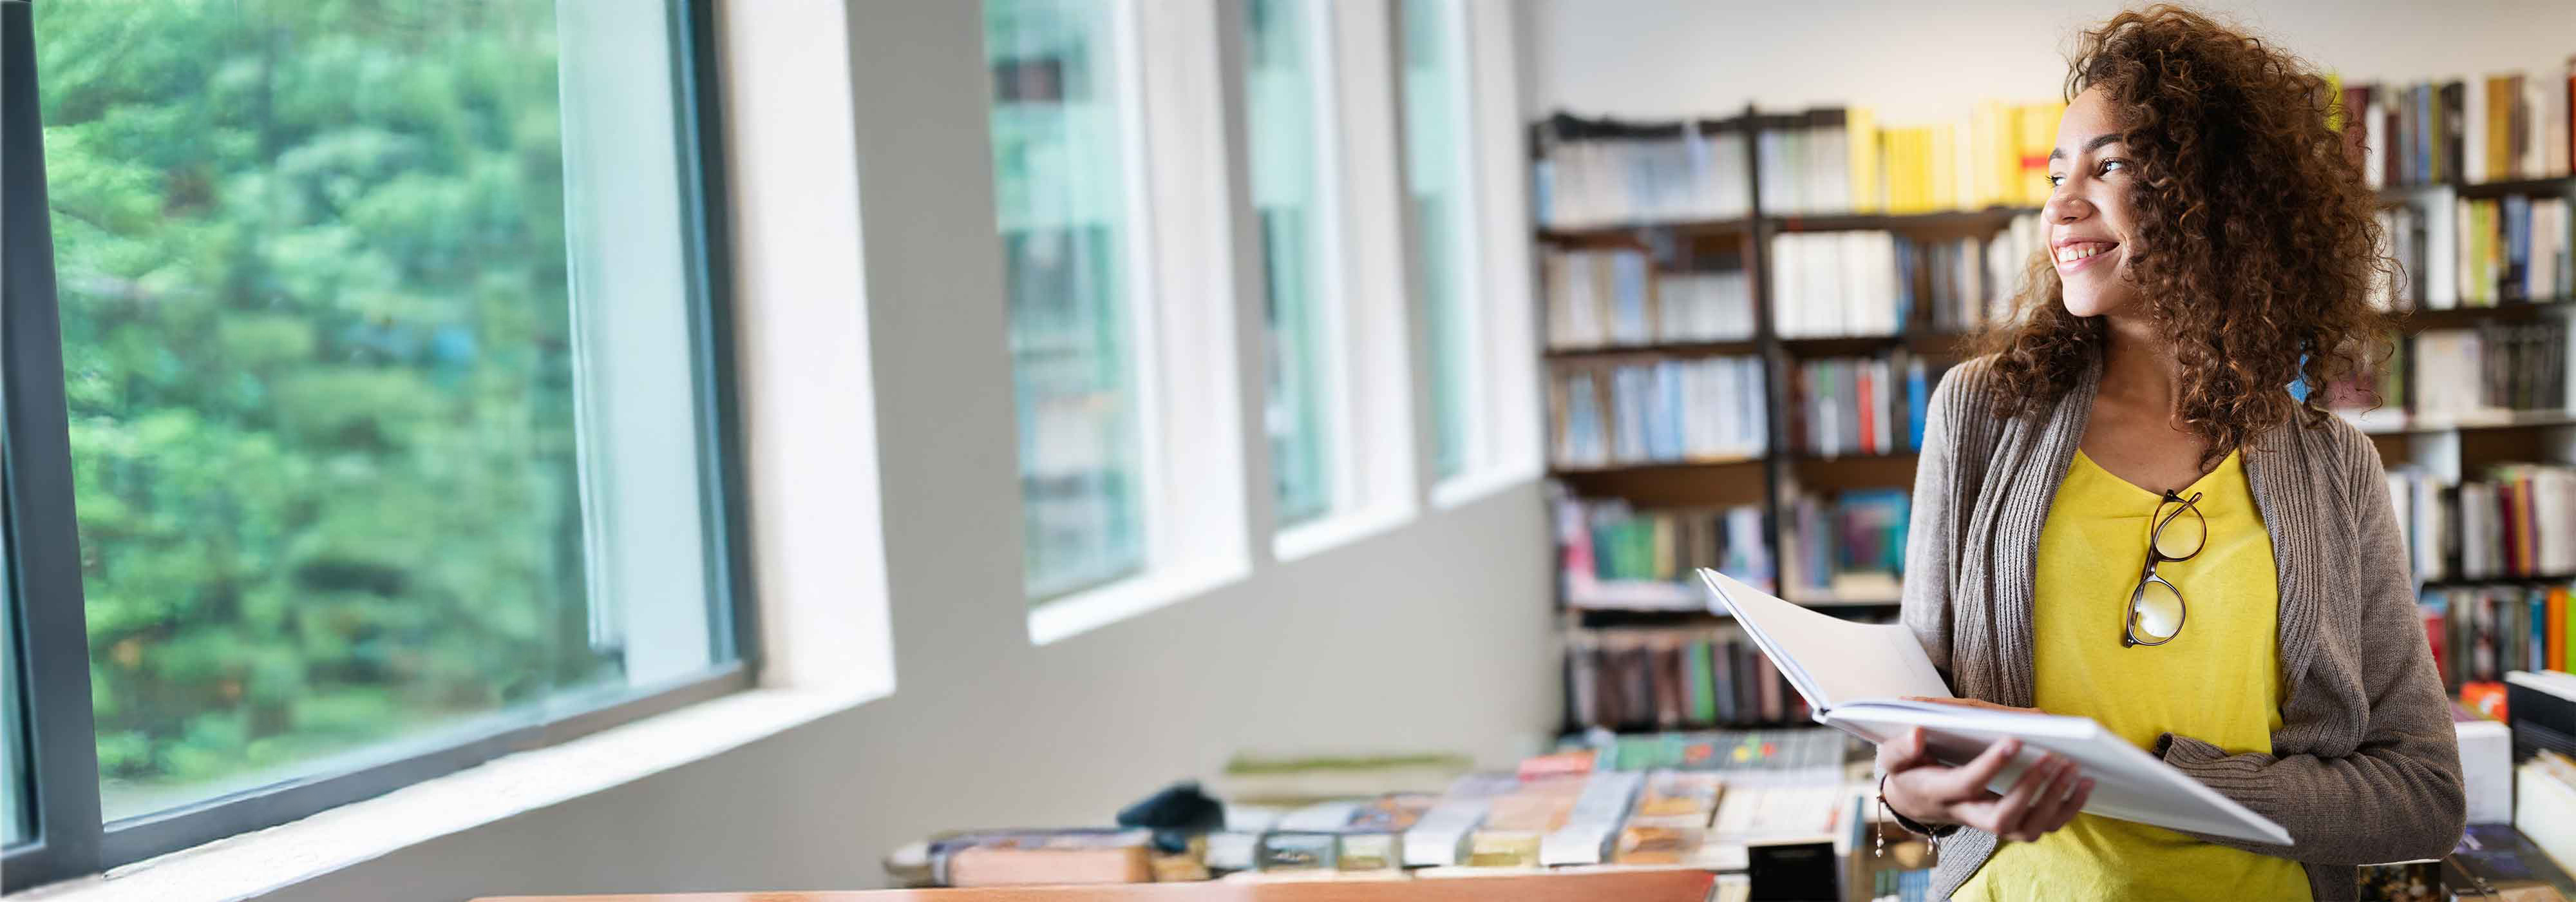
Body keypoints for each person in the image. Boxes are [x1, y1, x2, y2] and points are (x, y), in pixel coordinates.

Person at [1873, 6, 2467, 900]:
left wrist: (2170, 786)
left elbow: (2423, 795)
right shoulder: (1982, 414)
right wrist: (1912, 793)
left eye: (2109, 166)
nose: (2061, 205)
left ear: (2220, 196)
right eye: (2057, 172)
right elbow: (1916, 740)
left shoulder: (2334, 465)